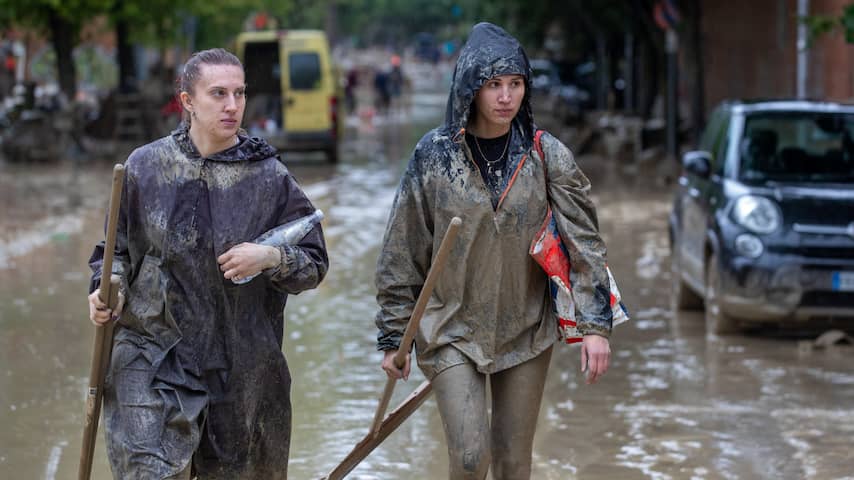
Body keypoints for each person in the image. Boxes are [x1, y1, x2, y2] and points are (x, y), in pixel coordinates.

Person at [374, 23, 613, 479]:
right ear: (470, 87)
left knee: (511, 463)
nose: (506, 97)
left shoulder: (546, 155)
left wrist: (595, 326)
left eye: (515, 84)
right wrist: (392, 336)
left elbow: (585, 241)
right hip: (449, 330)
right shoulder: (434, 156)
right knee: (469, 457)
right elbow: (401, 249)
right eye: (493, 85)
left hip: (525, 329)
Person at [87, 48, 328, 479]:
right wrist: (107, 290)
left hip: (240, 362)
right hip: (153, 352)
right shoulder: (145, 168)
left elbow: (314, 261)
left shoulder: (268, 176)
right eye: (218, 93)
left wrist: (269, 256)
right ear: (187, 101)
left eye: (239, 93)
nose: (232, 105)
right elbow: (113, 254)